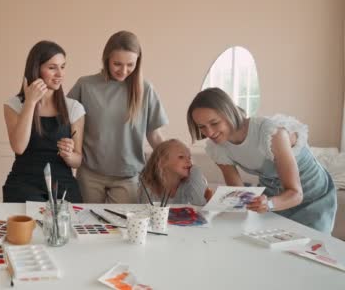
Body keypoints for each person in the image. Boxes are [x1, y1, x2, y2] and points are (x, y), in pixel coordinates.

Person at [187, 87, 337, 233]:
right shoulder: (217, 147)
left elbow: (296, 194)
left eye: (214, 123)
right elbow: (240, 195)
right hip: (273, 193)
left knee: (311, 250)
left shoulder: (270, 133)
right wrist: (221, 201)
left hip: (310, 191)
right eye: (202, 127)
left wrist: (269, 203)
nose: (209, 132)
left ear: (229, 113)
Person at [68, 31, 168, 203]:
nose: (123, 70)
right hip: (90, 174)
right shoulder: (85, 85)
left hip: (128, 177)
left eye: (130, 64)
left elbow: (155, 135)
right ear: (107, 59)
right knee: (86, 227)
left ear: (138, 61)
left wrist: (173, 161)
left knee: (121, 228)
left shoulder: (146, 89)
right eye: (117, 64)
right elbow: (64, 121)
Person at [2, 41, 85, 203]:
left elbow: (78, 161)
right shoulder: (14, 105)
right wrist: (30, 103)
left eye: (63, 67)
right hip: (23, 182)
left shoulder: (74, 108)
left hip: (63, 183)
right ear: (36, 69)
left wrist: (68, 155)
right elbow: (19, 147)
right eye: (52, 68)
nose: (60, 74)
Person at [139, 139, 212, 206]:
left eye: (189, 157)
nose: (189, 161)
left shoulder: (189, 184)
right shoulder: (149, 186)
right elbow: (145, 212)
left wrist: (195, 171)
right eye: (181, 157)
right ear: (162, 162)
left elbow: (201, 204)